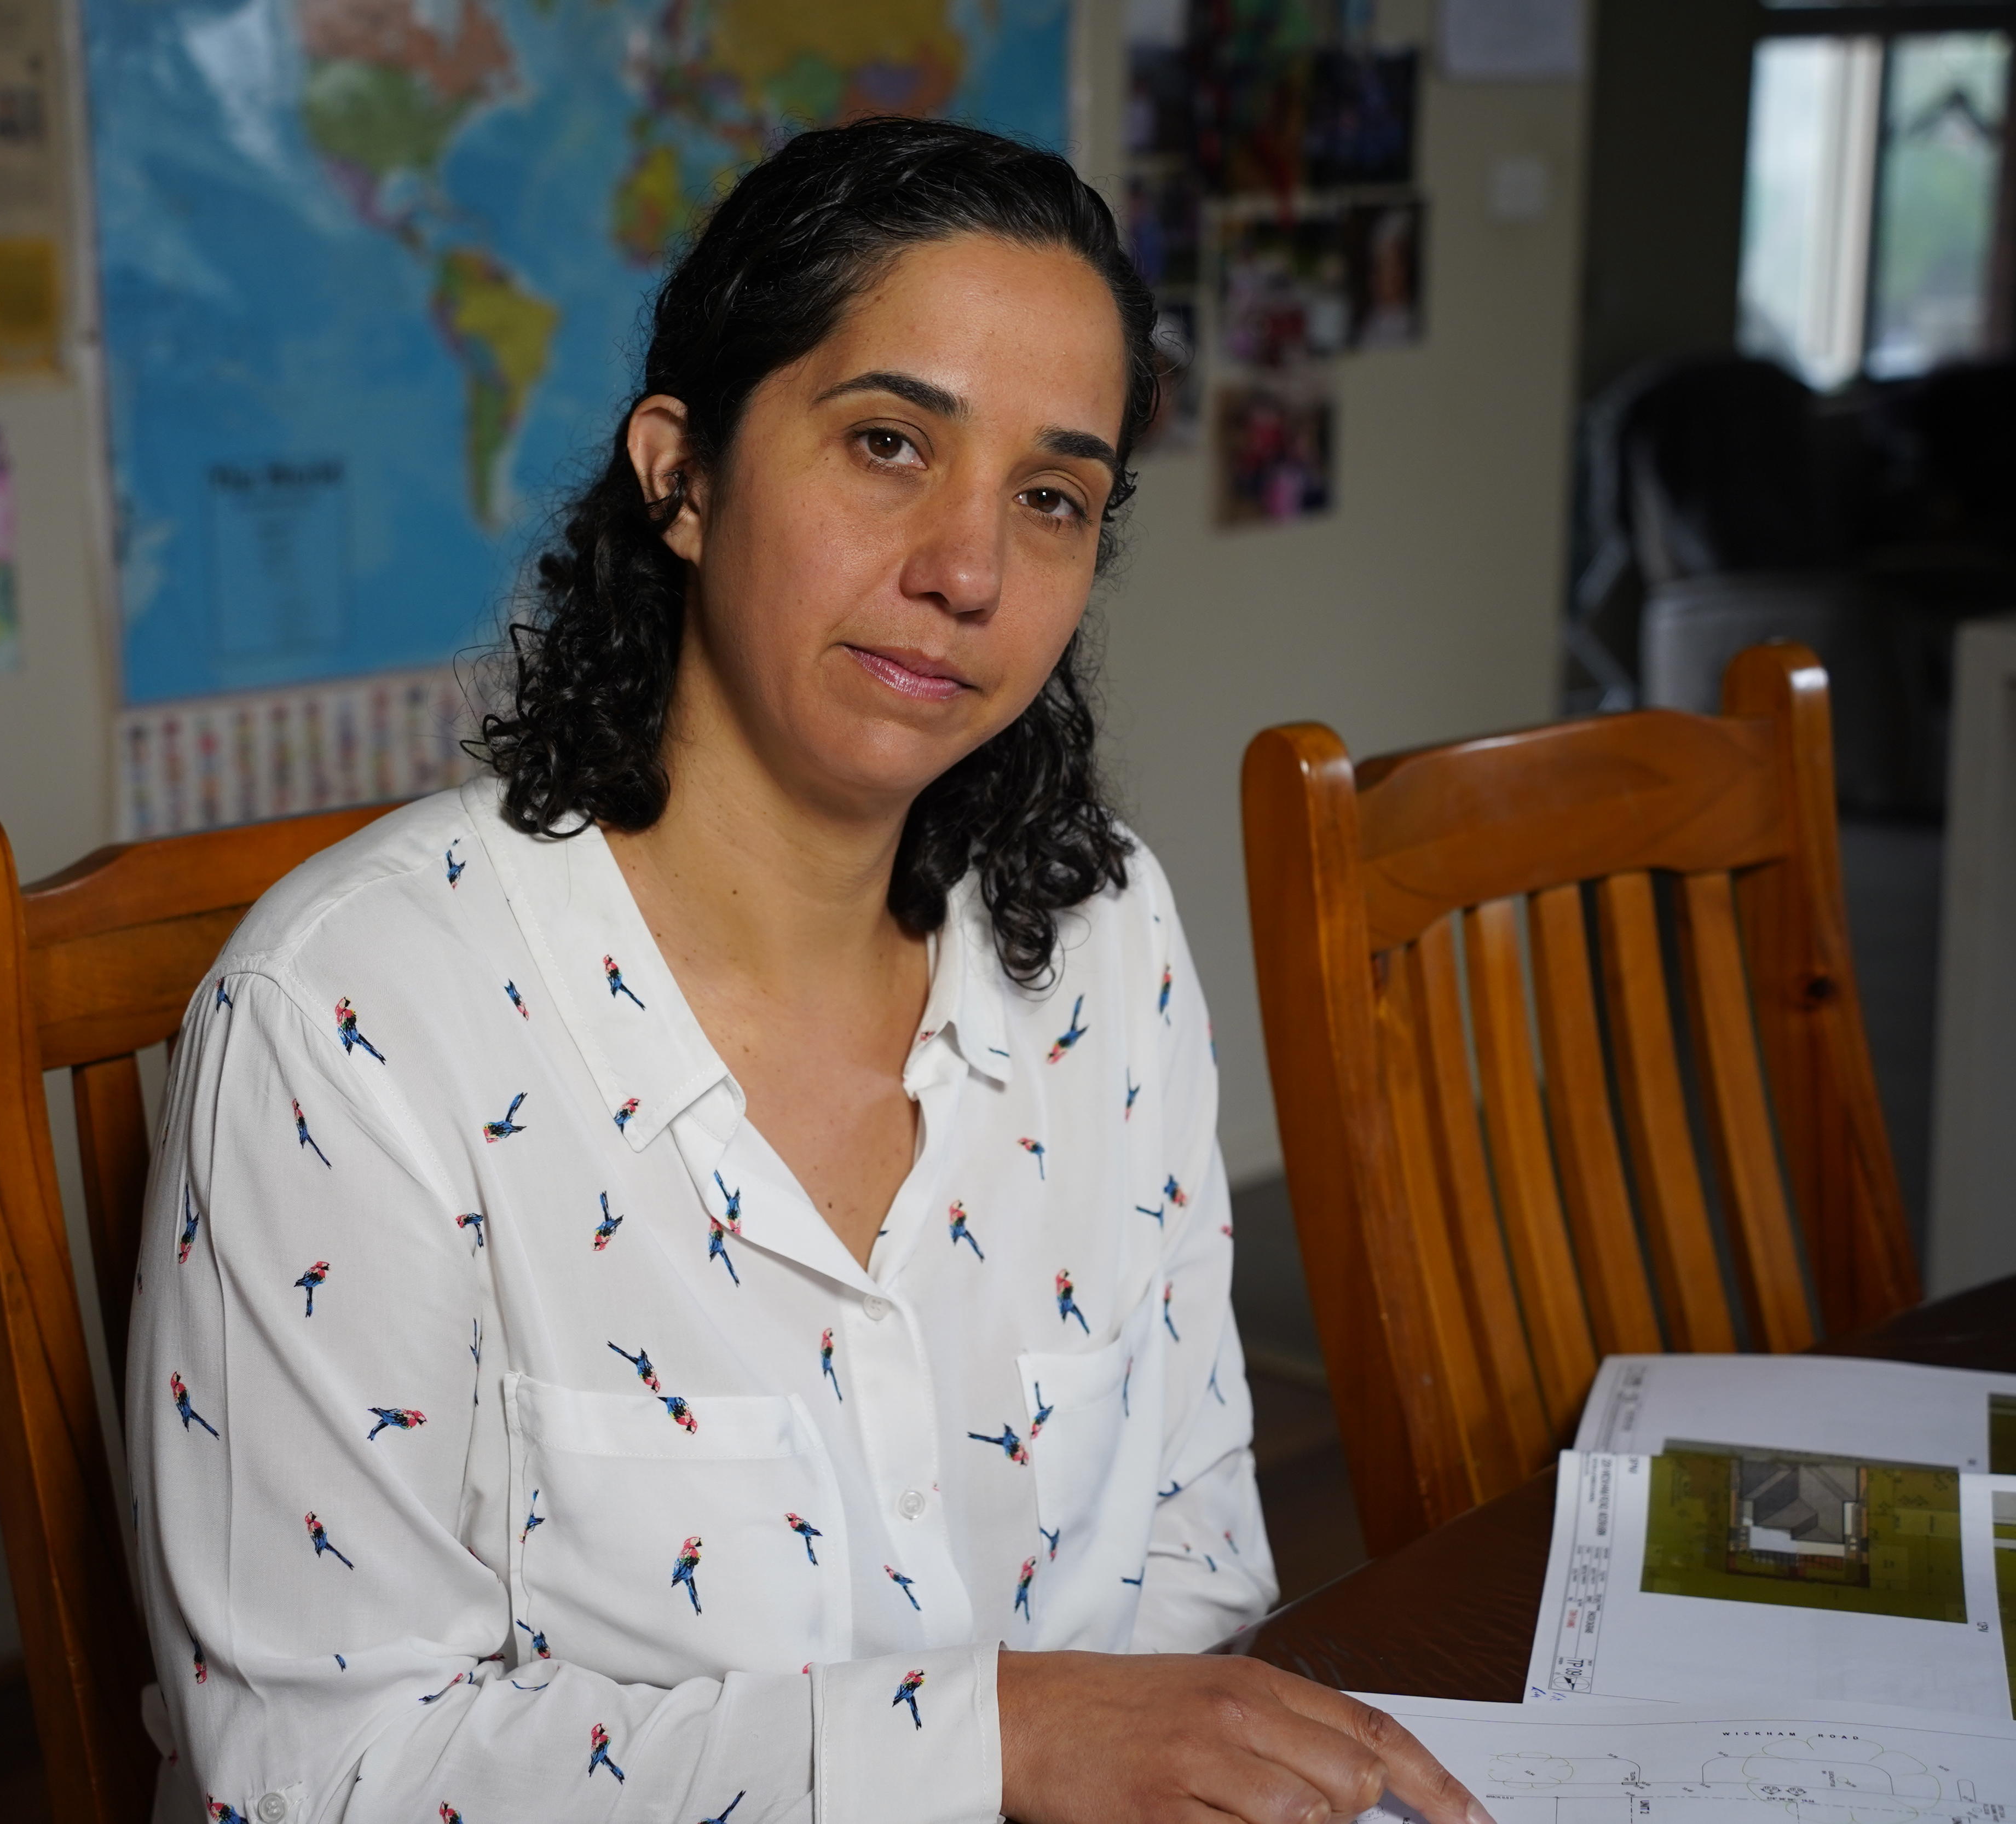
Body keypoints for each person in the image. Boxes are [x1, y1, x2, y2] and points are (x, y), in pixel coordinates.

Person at [128, 115, 1487, 1824]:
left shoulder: (1107, 934)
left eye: (1051, 498)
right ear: (680, 473)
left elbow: (1192, 1550)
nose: (969, 572)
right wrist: (999, 1738)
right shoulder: (355, 1021)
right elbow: (315, 1777)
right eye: (888, 444)